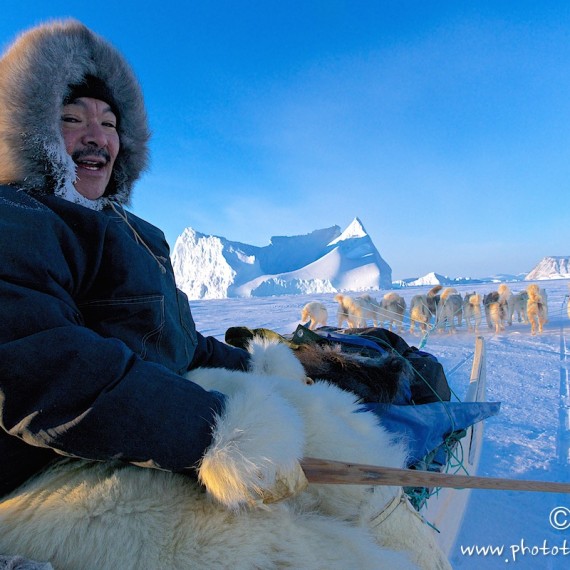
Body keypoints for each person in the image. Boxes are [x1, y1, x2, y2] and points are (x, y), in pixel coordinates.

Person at [0, 20, 448, 570]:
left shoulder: (135, 234)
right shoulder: (16, 217)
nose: (97, 136)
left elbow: (181, 346)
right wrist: (212, 431)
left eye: (110, 122)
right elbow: (39, 368)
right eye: (72, 120)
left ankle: (410, 543)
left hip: (144, 437)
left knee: (332, 439)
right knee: (268, 549)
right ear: (31, 131)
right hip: (42, 473)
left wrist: (269, 370)